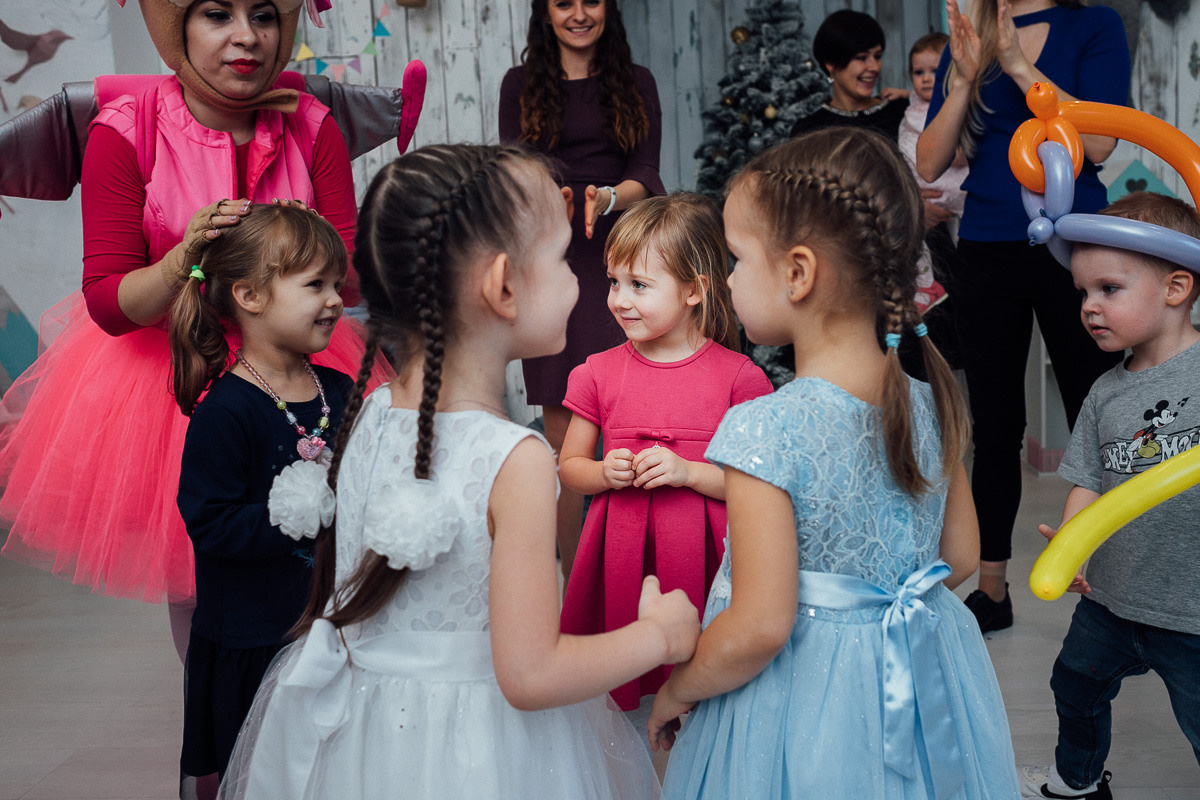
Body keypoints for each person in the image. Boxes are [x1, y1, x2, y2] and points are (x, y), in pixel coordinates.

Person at [218, 143, 700, 800]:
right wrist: (658, 636)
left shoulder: (372, 413)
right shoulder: (516, 460)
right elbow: (530, 676)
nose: (578, 282)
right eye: (562, 259)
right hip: (476, 754)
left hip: (364, 740)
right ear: (503, 286)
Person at [0, 0, 388, 663]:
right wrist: (183, 260)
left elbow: (347, 284)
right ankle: (224, 714)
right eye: (217, 14)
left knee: (326, 556)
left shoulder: (313, 124)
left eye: (264, 15)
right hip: (169, 378)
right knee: (208, 583)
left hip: (298, 367)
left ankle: (318, 708)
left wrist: (305, 250)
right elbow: (109, 303)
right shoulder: (125, 130)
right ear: (174, 25)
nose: (247, 36)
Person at [647, 128, 1020, 799]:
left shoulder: (765, 427)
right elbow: (960, 556)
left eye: (736, 259)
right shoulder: (930, 402)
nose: (727, 279)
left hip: (801, 704)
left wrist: (680, 688)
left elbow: (760, 626)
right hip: (918, 679)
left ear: (798, 273)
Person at [916, 0, 1130, 632]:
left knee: (1099, 411)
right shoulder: (970, 35)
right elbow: (928, 163)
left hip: (1078, 245)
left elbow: (1098, 143)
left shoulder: (1094, 25)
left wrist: (1015, 64)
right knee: (995, 425)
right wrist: (964, 77)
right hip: (987, 249)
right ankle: (992, 590)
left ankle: (1119, 588)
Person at [558, 193, 772, 731]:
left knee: (705, 682)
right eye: (614, 282)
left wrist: (689, 472)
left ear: (694, 290)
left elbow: (759, 486)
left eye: (639, 285)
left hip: (705, 554)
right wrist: (602, 472)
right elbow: (570, 466)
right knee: (625, 685)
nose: (619, 300)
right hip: (622, 551)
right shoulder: (596, 372)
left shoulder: (739, 378)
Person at [168, 204, 354, 797]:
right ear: (249, 297)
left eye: (336, 284)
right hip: (255, 637)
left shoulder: (340, 390)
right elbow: (212, 522)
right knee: (259, 773)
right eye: (315, 285)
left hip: (329, 626)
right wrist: (294, 517)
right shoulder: (225, 411)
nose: (336, 301)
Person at [1021, 192, 1200, 799]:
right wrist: (1071, 546)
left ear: (1176, 288)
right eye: (1082, 293)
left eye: (1109, 289)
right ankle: (1077, 780)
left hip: (1191, 609)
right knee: (1074, 689)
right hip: (1111, 599)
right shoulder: (1104, 392)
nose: (1089, 307)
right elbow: (1090, 479)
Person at [499, 0, 665, 580]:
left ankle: (639, 575)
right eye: (563, 2)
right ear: (544, 11)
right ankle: (572, 587)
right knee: (567, 444)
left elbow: (646, 172)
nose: (578, 13)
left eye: (589, 0)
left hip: (621, 255)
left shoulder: (636, 81)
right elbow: (516, 173)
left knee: (635, 425)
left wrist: (608, 197)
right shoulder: (519, 84)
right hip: (550, 258)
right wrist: (554, 198)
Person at [789, 9, 910, 142]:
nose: (875, 67)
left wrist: (915, 99)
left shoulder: (904, 111)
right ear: (831, 64)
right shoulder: (808, 129)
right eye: (861, 58)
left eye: (877, 56)